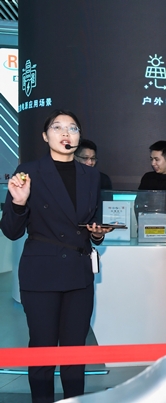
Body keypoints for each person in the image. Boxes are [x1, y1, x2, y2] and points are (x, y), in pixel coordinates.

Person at [0, 110, 112, 403]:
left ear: (79, 137)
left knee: (75, 351)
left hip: (78, 273)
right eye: (57, 127)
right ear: (45, 136)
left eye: (73, 128)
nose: (65, 133)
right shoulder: (29, 171)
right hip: (42, 273)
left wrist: (97, 234)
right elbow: (11, 231)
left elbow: (91, 224)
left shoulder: (92, 175)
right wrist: (19, 203)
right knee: (43, 349)